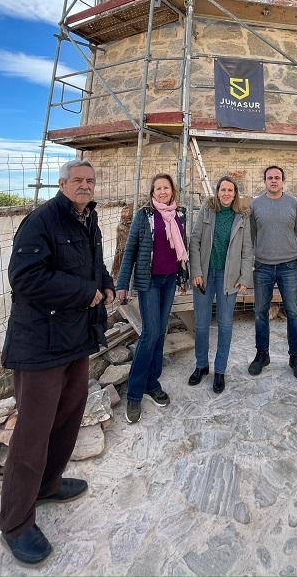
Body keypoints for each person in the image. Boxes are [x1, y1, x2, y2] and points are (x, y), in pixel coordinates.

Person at [0, 158, 114, 565]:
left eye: (90, 180)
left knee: (68, 417)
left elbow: (92, 265)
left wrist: (105, 283)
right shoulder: (41, 221)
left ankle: (48, 486)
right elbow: (25, 278)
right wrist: (85, 292)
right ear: (62, 184)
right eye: (77, 180)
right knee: (32, 433)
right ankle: (14, 523)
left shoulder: (88, 220)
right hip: (39, 346)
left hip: (73, 340)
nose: (85, 185)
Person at [116, 173, 188, 424]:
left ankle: (151, 383)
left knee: (161, 331)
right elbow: (131, 251)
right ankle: (134, 394)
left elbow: (182, 248)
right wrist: (122, 284)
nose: (162, 192)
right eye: (157, 188)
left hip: (169, 281)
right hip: (149, 282)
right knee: (150, 333)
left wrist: (182, 278)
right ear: (152, 192)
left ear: (172, 191)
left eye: (166, 188)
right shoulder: (144, 216)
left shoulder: (179, 214)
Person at [188, 176, 253, 393]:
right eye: (223, 190)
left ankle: (220, 370)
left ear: (235, 194)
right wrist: (196, 271)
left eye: (230, 190)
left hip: (229, 277)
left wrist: (244, 278)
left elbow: (247, 250)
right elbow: (195, 241)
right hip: (205, 275)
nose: (226, 193)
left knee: (225, 324)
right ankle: (201, 365)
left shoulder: (242, 217)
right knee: (201, 323)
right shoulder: (207, 212)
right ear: (217, 192)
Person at [248, 165, 297, 378]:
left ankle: (295, 356)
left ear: (283, 181)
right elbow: (253, 233)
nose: (274, 180)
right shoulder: (255, 205)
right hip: (262, 265)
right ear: (265, 181)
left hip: (288, 265)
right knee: (260, 313)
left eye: (277, 177)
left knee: (293, 312)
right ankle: (262, 354)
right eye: (270, 178)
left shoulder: (294, 204)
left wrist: (286, 246)